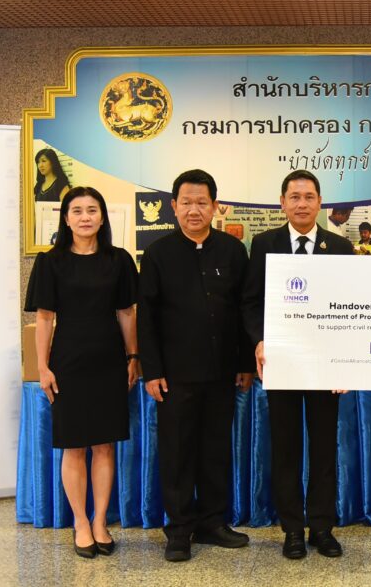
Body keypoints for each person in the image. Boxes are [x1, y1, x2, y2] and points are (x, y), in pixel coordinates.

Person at [137, 169, 254, 562]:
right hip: (175, 376)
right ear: (173, 206)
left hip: (223, 373)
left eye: (202, 202)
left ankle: (212, 523)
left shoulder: (233, 251)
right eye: (186, 202)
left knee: (216, 450)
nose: (194, 210)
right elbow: (146, 317)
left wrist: (244, 363)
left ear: (215, 206)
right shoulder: (157, 254)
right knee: (177, 453)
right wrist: (153, 370)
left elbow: (244, 310)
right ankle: (179, 530)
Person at [243, 170, 354, 559]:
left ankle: (322, 527)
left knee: (323, 449)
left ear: (320, 202)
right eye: (295, 197)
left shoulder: (339, 247)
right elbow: (251, 301)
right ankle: (291, 529)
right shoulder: (264, 244)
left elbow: (352, 306)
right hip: (282, 363)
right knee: (285, 448)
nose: (302, 204)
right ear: (282, 203)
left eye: (309, 197)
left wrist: (345, 361)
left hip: (325, 366)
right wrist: (259, 340)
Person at [24, 186, 139, 559]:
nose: (85, 217)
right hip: (68, 362)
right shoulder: (50, 262)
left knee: (105, 445)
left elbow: (126, 313)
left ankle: (101, 520)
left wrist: (133, 356)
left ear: (103, 217)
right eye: (77, 210)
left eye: (92, 210)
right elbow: (45, 318)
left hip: (109, 360)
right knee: (74, 447)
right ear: (66, 218)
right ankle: (80, 522)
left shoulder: (119, 260)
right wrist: (43, 367)